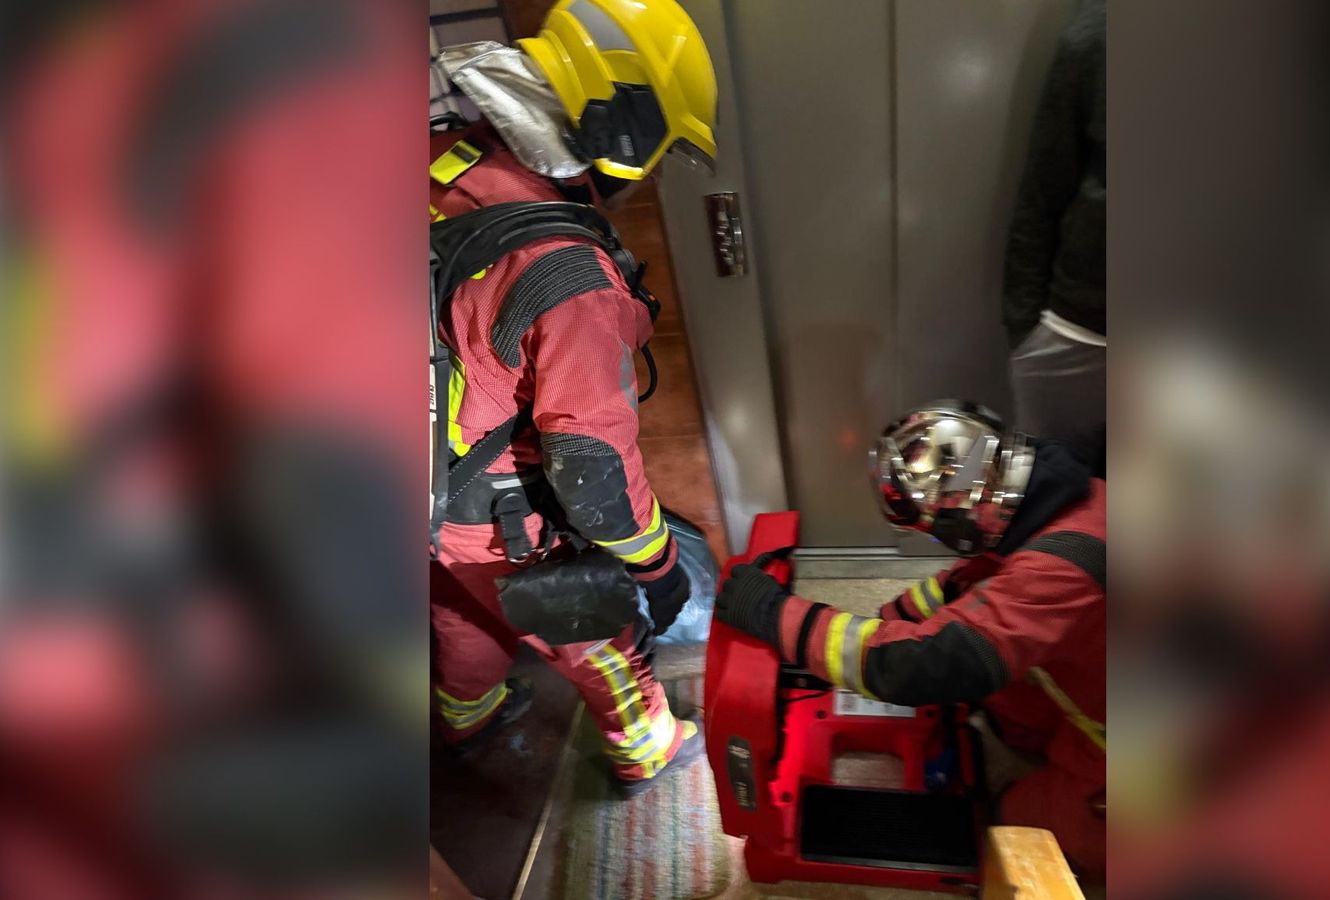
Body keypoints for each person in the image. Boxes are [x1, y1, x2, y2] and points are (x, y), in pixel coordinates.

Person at [427, 0, 716, 796]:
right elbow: (593, 476)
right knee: (591, 628)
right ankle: (646, 743)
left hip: (392, 477)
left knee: (459, 602)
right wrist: (656, 569)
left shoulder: (443, 162)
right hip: (486, 504)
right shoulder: (567, 272)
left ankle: (467, 710)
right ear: (624, 130)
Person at [715, 402, 1107, 877]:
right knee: (1002, 698)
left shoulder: (1061, 568)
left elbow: (918, 665)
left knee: (1018, 835)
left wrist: (773, 614)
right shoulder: (1063, 506)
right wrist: (880, 625)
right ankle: (1047, 741)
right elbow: (959, 589)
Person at [1003, 0, 1106, 443]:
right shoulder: (1098, 31)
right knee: (1056, 499)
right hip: (1078, 332)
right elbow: (1043, 189)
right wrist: (1024, 329)